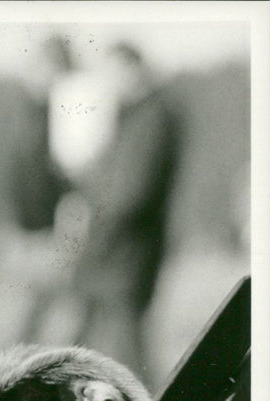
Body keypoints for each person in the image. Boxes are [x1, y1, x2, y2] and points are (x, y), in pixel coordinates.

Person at [70, 43, 180, 381]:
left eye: (113, 73)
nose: (109, 83)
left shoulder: (152, 118)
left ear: (133, 69)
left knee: (126, 355)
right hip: (111, 257)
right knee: (95, 350)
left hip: (124, 258)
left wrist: (93, 220)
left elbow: (130, 195)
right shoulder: (134, 117)